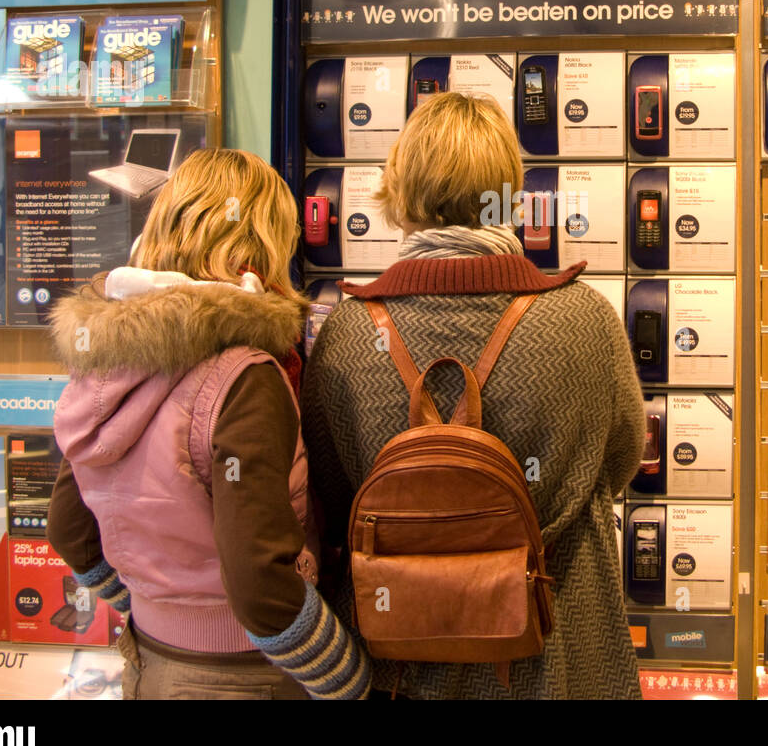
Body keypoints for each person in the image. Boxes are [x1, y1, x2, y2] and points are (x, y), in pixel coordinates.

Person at [304, 93, 644, 699]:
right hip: (554, 646)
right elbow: (619, 463)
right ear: (508, 195)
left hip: (400, 654)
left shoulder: (347, 333)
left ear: (399, 193)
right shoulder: (585, 319)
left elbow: (332, 492)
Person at [46, 148, 369, 700]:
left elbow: (70, 530)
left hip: (150, 660)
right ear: (264, 243)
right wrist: (346, 678)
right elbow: (261, 580)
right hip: (248, 672)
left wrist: (157, 607)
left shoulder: (104, 366)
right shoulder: (245, 376)